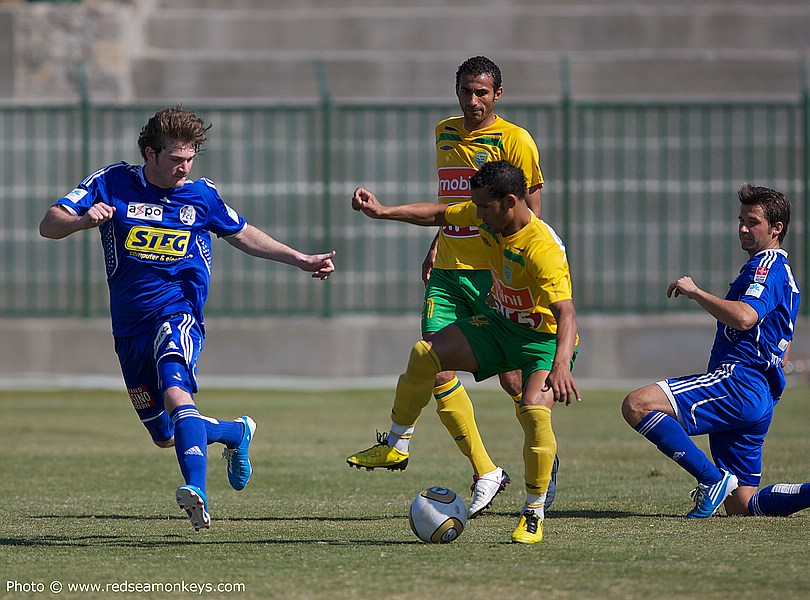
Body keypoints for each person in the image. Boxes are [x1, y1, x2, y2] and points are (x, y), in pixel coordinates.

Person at [39, 106, 336, 531]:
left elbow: (244, 234)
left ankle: (196, 491)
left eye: (190, 158)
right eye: (176, 159)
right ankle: (234, 432)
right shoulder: (112, 182)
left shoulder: (201, 196)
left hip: (177, 315)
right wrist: (84, 220)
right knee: (164, 433)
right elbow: (49, 224)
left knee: (178, 393)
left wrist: (301, 259)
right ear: (149, 153)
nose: (184, 167)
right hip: (128, 328)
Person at [345, 56, 558, 519]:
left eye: (482, 92)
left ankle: (543, 453)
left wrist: (519, 269)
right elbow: (452, 207)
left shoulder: (516, 139)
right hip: (448, 270)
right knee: (433, 360)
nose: (473, 100)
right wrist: (436, 243)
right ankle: (482, 469)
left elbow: (530, 213)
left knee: (513, 380)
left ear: (498, 94)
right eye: (466, 91)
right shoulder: (444, 131)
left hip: (492, 274)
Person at [347, 160, 579, 544]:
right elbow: (439, 213)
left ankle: (533, 512)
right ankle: (396, 444)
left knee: (534, 411)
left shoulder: (541, 249)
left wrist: (560, 366)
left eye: (485, 208)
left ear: (509, 201)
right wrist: (383, 211)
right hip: (500, 327)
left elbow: (566, 313)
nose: (478, 215)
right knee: (426, 355)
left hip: (543, 341)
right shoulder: (486, 213)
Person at [621, 183, 810, 518]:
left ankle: (711, 479)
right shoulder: (787, 277)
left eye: (752, 222)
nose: (742, 228)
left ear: (776, 228)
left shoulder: (766, 267)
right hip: (760, 395)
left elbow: (744, 317)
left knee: (637, 405)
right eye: (740, 220)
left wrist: (695, 292)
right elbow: (782, 342)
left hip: (737, 383)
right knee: (741, 506)